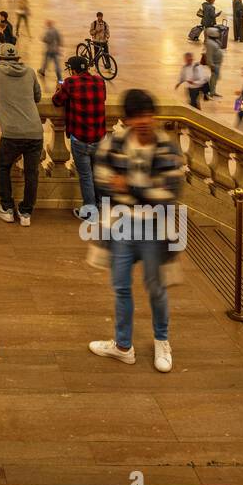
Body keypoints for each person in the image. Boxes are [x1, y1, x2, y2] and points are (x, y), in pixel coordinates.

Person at [90, 89, 183, 373]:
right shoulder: (114, 143)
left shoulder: (168, 148)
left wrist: (129, 187)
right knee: (120, 286)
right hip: (121, 226)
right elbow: (103, 180)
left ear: (153, 117)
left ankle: (162, 341)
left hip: (156, 228)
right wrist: (143, 191)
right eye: (136, 116)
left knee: (156, 288)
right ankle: (122, 345)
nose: (143, 121)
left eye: (147, 115)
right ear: (127, 120)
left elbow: (169, 193)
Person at [0, 44, 43, 228]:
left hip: (11, 132)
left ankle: (7, 208)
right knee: (31, 173)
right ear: (18, 58)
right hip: (35, 131)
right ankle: (26, 212)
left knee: (3, 167)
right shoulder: (30, 72)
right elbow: (37, 97)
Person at [53, 55, 107, 219]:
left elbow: (57, 101)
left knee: (85, 175)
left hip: (80, 138)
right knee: (96, 173)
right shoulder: (99, 81)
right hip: (98, 137)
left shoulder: (70, 83)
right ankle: (100, 205)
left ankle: (90, 211)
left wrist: (58, 89)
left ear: (73, 70)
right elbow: (102, 98)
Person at [204, 26, 224, 98]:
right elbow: (209, 55)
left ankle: (213, 91)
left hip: (217, 63)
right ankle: (211, 92)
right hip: (214, 64)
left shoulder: (214, 40)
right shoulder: (210, 43)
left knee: (215, 77)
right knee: (214, 78)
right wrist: (211, 65)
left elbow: (221, 45)